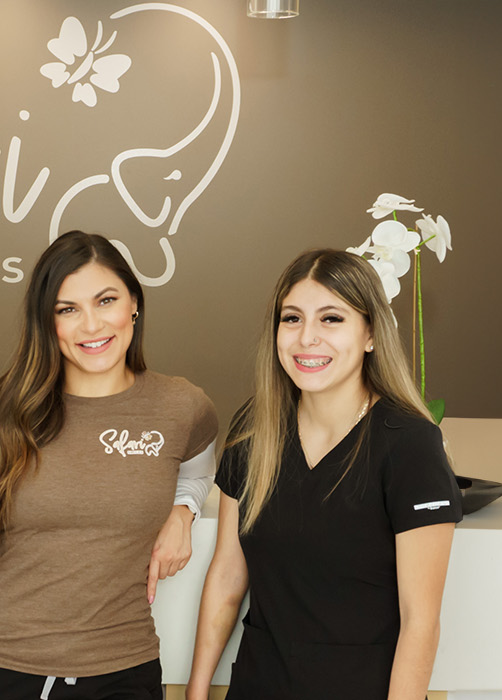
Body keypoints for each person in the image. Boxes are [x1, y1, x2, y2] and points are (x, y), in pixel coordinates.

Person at [0, 230, 220, 700]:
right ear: (47, 321)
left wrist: (184, 510)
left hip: (124, 670)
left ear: (134, 305)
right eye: (67, 309)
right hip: (0, 669)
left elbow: (198, 472)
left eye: (106, 301)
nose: (91, 326)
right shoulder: (0, 414)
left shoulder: (183, 408)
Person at [184, 249, 461, 700]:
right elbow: (228, 575)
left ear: (370, 334)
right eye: (292, 319)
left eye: (331, 319)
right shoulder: (255, 428)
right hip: (259, 685)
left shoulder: (410, 444)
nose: (306, 338)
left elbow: (420, 621)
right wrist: (195, 693)